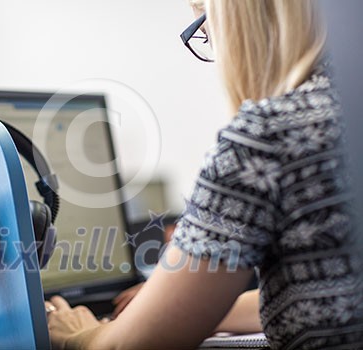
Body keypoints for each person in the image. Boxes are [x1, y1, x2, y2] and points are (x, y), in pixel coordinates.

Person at [45, 0, 363, 349]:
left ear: (238, 22)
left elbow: (129, 346)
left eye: (205, 31)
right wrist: (195, 306)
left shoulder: (269, 135)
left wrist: (75, 334)